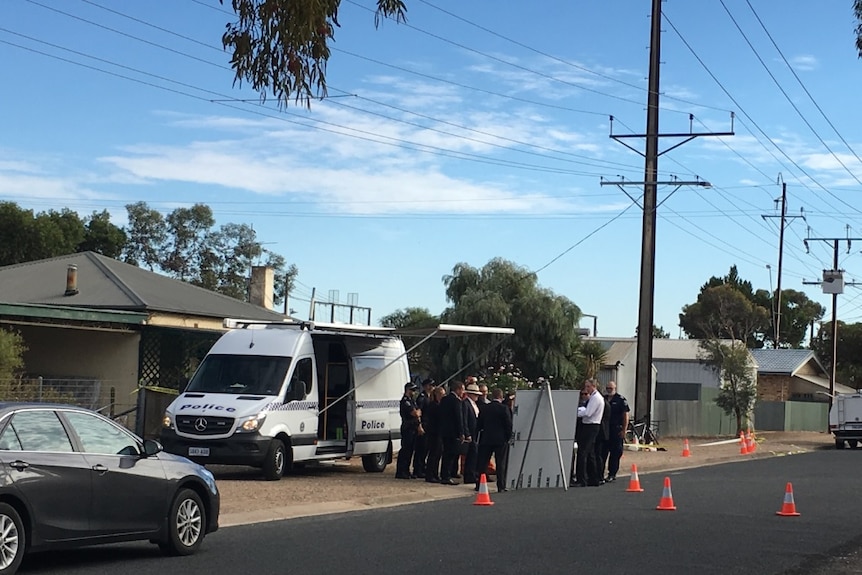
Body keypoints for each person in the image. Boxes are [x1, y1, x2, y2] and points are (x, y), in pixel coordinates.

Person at [475, 387, 513, 492]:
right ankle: (501, 486)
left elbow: (479, 424)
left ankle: (480, 484)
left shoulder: (485, 408)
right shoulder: (504, 408)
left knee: (483, 463)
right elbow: (508, 425)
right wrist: (508, 437)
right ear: (501, 397)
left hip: (486, 438)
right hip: (500, 439)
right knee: (500, 463)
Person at [575, 378, 604, 487]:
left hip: (591, 426)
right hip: (591, 425)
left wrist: (577, 411)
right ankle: (593, 478)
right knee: (590, 453)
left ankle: (582, 479)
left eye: (588, 386)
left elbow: (588, 413)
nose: (586, 389)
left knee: (582, 453)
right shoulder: (594, 397)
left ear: (593, 386)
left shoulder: (596, 398)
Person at [602, 381, 630, 482]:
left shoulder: (620, 400)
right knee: (602, 452)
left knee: (615, 453)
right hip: (605, 429)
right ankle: (600, 473)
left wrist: (624, 430)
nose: (609, 390)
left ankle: (612, 474)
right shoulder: (603, 398)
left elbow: (625, 415)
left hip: (616, 429)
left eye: (611, 388)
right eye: (607, 388)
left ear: (615, 388)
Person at [438, 381, 465, 485]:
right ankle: (447, 476)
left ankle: (444, 474)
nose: (462, 392)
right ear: (458, 389)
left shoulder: (444, 399)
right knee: (451, 455)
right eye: (462, 390)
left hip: (444, 431)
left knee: (445, 454)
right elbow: (459, 418)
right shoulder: (456, 401)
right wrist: (461, 432)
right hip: (453, 432)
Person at [395, 382, 421, 479]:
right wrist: (417, 413)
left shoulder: (412, 401)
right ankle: (401, 471)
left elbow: (419, 411)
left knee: (410, 451)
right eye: (412, 390)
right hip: (407, 428)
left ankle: (406, 470)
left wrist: (417, 413)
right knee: (405, 450)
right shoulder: (405, 401)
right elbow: (415, 413)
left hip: (413, 428)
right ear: (408, 390)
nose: (414, 392)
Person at [412, 378, 435, 478]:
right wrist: (419, 425)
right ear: (426, 386)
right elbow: (418, 413)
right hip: (423, 425)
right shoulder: (422, 397)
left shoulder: (430, 397)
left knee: (426, 449)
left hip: (428, 425)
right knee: (421, 448)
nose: (432, 387)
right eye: (430, 385)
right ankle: (418, 469)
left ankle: (422, 467)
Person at [423, 386, 446, 483]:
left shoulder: (438, 405)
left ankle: (435, 473)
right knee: (433, 453)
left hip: (439, 432)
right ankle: (430, 474)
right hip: (434, 432)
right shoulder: (433, 405)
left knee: (438, 454)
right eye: (442, 394)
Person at [462, 382, 482, 483]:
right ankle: (469, 475)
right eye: (475, 394)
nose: (477, 396)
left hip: (475, 432)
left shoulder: (473, 404)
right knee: (471, 455)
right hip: (470, 432)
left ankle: (472, 474)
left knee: (474, 455)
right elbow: (464, 419)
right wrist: (467, 433)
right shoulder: (466, 403)